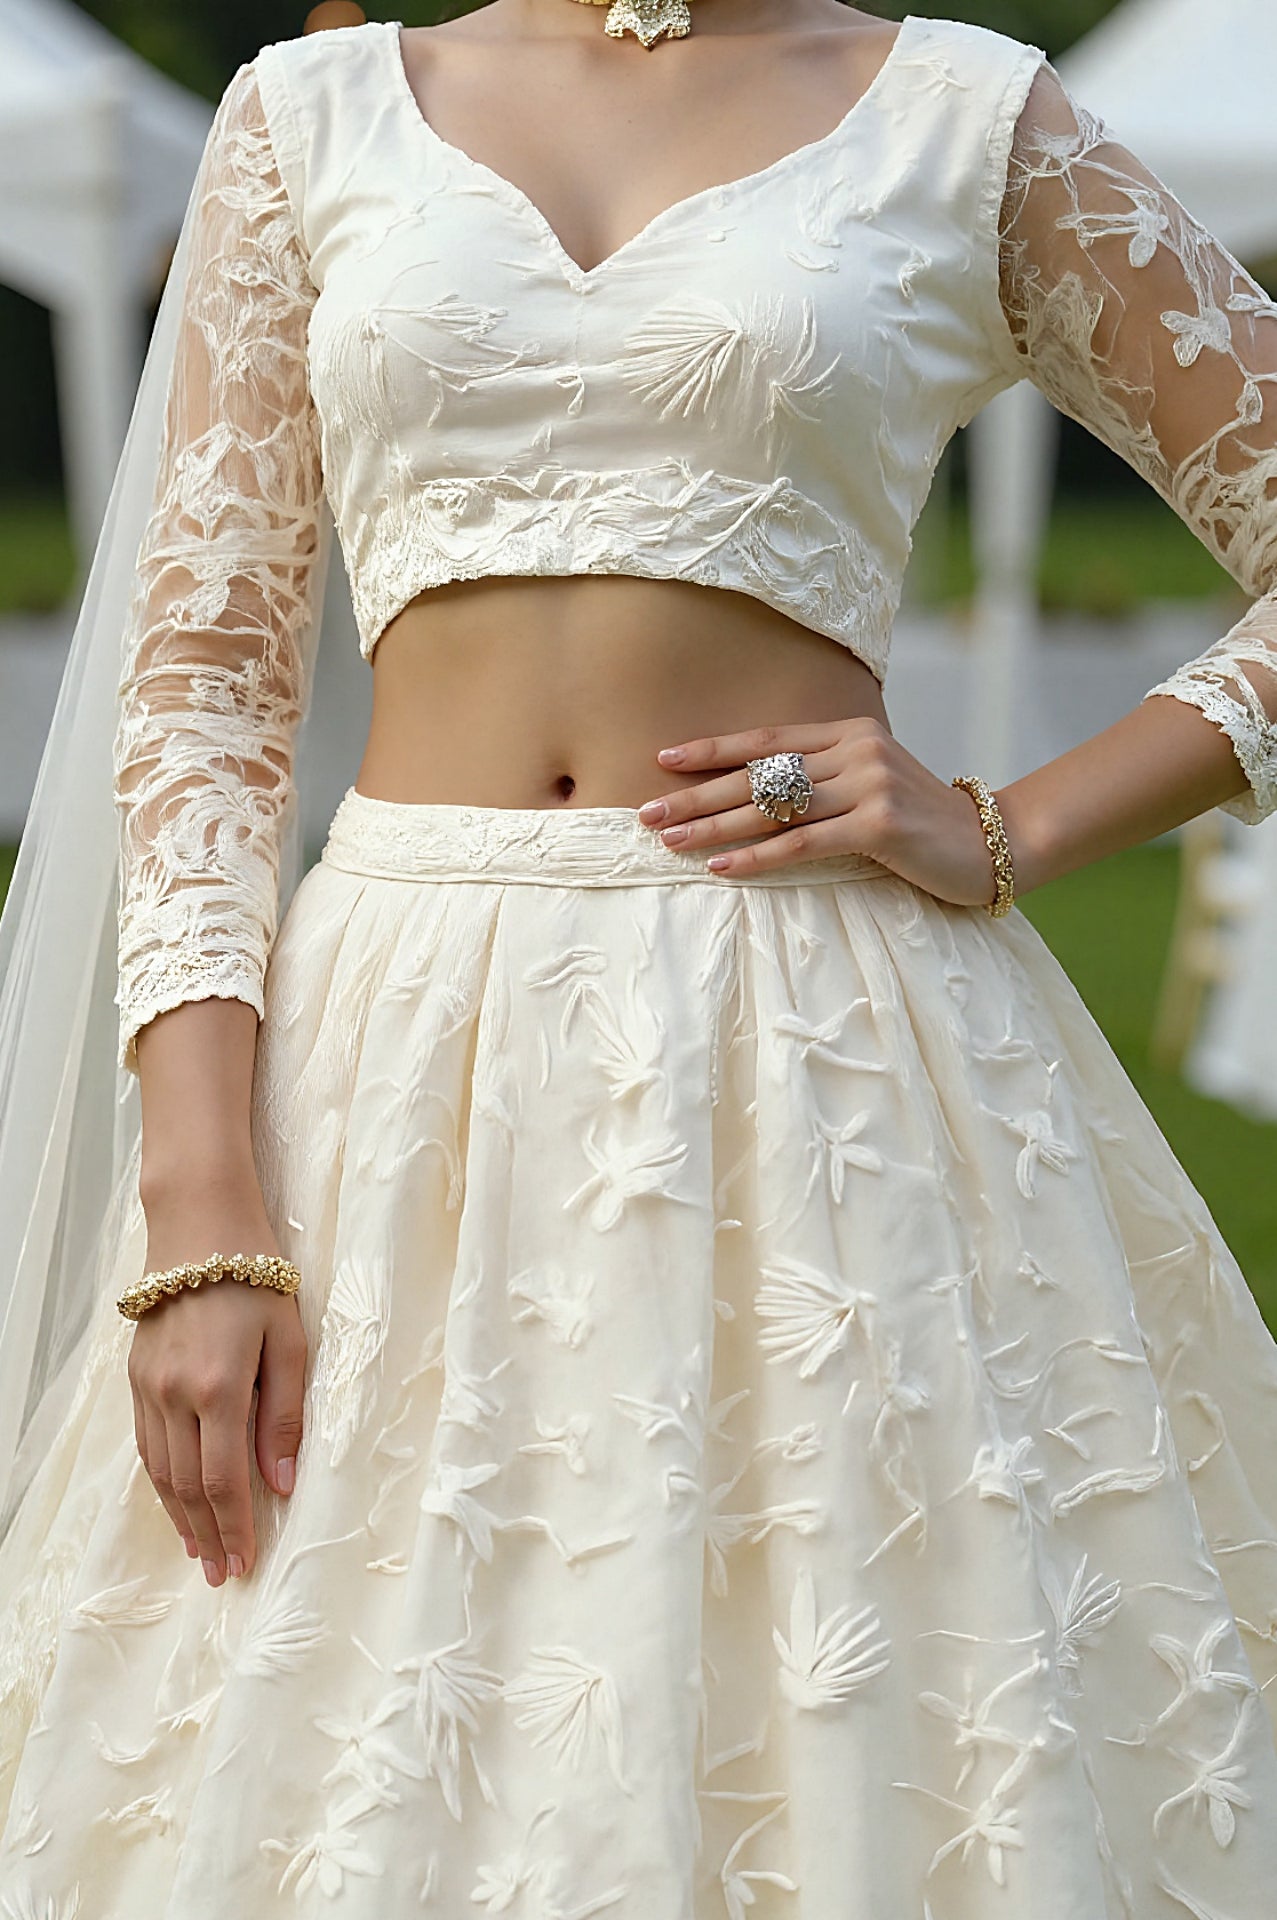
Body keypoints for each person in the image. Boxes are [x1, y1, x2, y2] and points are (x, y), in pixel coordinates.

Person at [0, 0, 1274, 1911]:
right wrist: (203, 1202)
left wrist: (1011, 822)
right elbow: (202, 693)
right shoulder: (311, 116)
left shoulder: (960, 121)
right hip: (385, 1073)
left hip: (826, 1077)